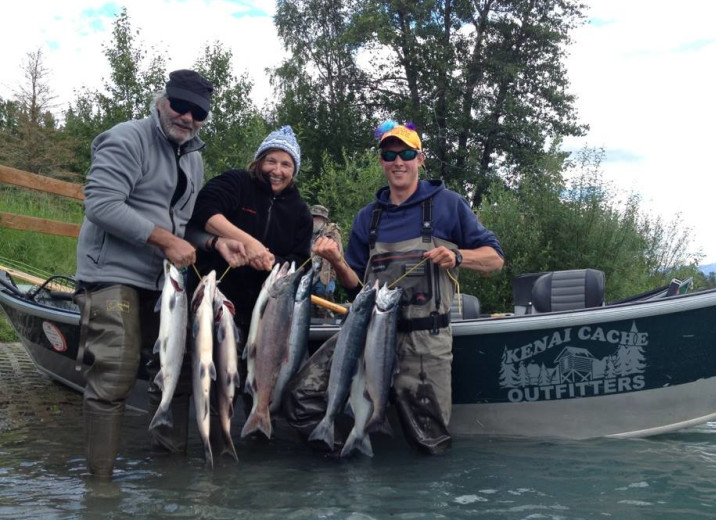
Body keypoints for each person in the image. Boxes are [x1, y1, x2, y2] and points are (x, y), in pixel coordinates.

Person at [285, 120, 504, 454]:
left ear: (420, 158)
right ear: (381, 161)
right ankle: (341, 465)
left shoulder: (449, 204)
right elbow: (354, 289)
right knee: (302, 395)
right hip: (366, 331)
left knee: (429, 439)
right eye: (389, 154)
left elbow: (495, 259)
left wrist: (458, 256)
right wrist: (338, 262)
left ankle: (415, 496)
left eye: (406, 153)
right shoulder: (367, 218)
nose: (398, 161)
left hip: (425, 341)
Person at [74, 69, 245, 478]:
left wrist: (213, 244)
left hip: (163, 283)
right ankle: (101, 488)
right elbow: (100, 205)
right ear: (163, 101)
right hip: (112, 275)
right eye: (180, 105)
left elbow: (183, 225)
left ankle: (168, 480)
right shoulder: (126, 138)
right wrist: (166, 242)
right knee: (114, 374)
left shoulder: (194, 157)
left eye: (198, 112)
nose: (187, 117)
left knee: (180, 372)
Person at [188, 125, 312, 420]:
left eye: (286, 164)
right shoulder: (236, 182)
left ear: (294, 170)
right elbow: (203, 212)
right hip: (214, 302)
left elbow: (300, 263)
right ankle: (209, 428)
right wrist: (249, 243)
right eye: (271, 160)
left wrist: (270, 261)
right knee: (209, 375)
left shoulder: (300, 211)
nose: (277, 171)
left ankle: (258, 423)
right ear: (258, 161)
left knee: (254, 376)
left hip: (264, 312)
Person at [309, 205, 343, 317]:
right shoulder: (306, 231)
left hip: (324, 275)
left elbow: (339, 256)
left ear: (324, 220)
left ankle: (326, 323)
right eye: (314, 217)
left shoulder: (331, 234)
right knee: (307, 303)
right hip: (309, 274)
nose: (315, 220)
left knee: (323, 301)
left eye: (318, 218)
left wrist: (332, 275)